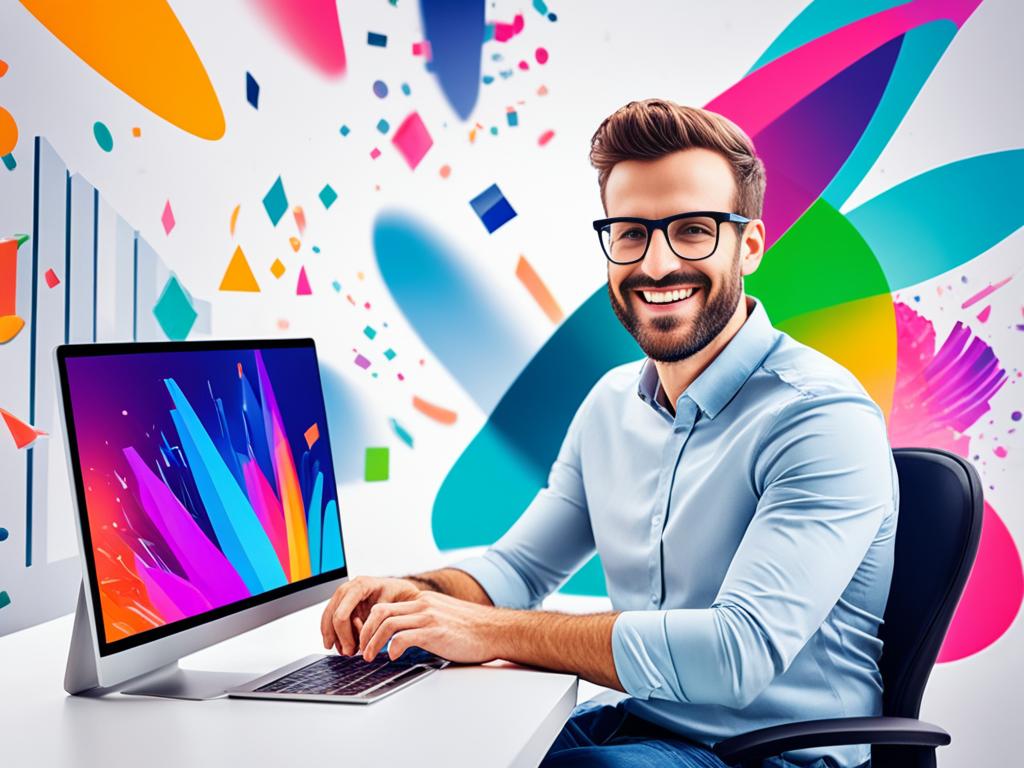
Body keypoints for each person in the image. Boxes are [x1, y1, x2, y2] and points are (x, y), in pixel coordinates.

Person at [319, 99, 896, 768]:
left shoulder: (819, 417)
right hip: (644, 724)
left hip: (776, 755)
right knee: (425, 742)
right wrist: (419, 597)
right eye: (631, 233)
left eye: (693, 230)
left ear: (751, 245)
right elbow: (520, 568)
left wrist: (486, 631)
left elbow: (738, 654)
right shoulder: (610, 405)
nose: (656, 265)